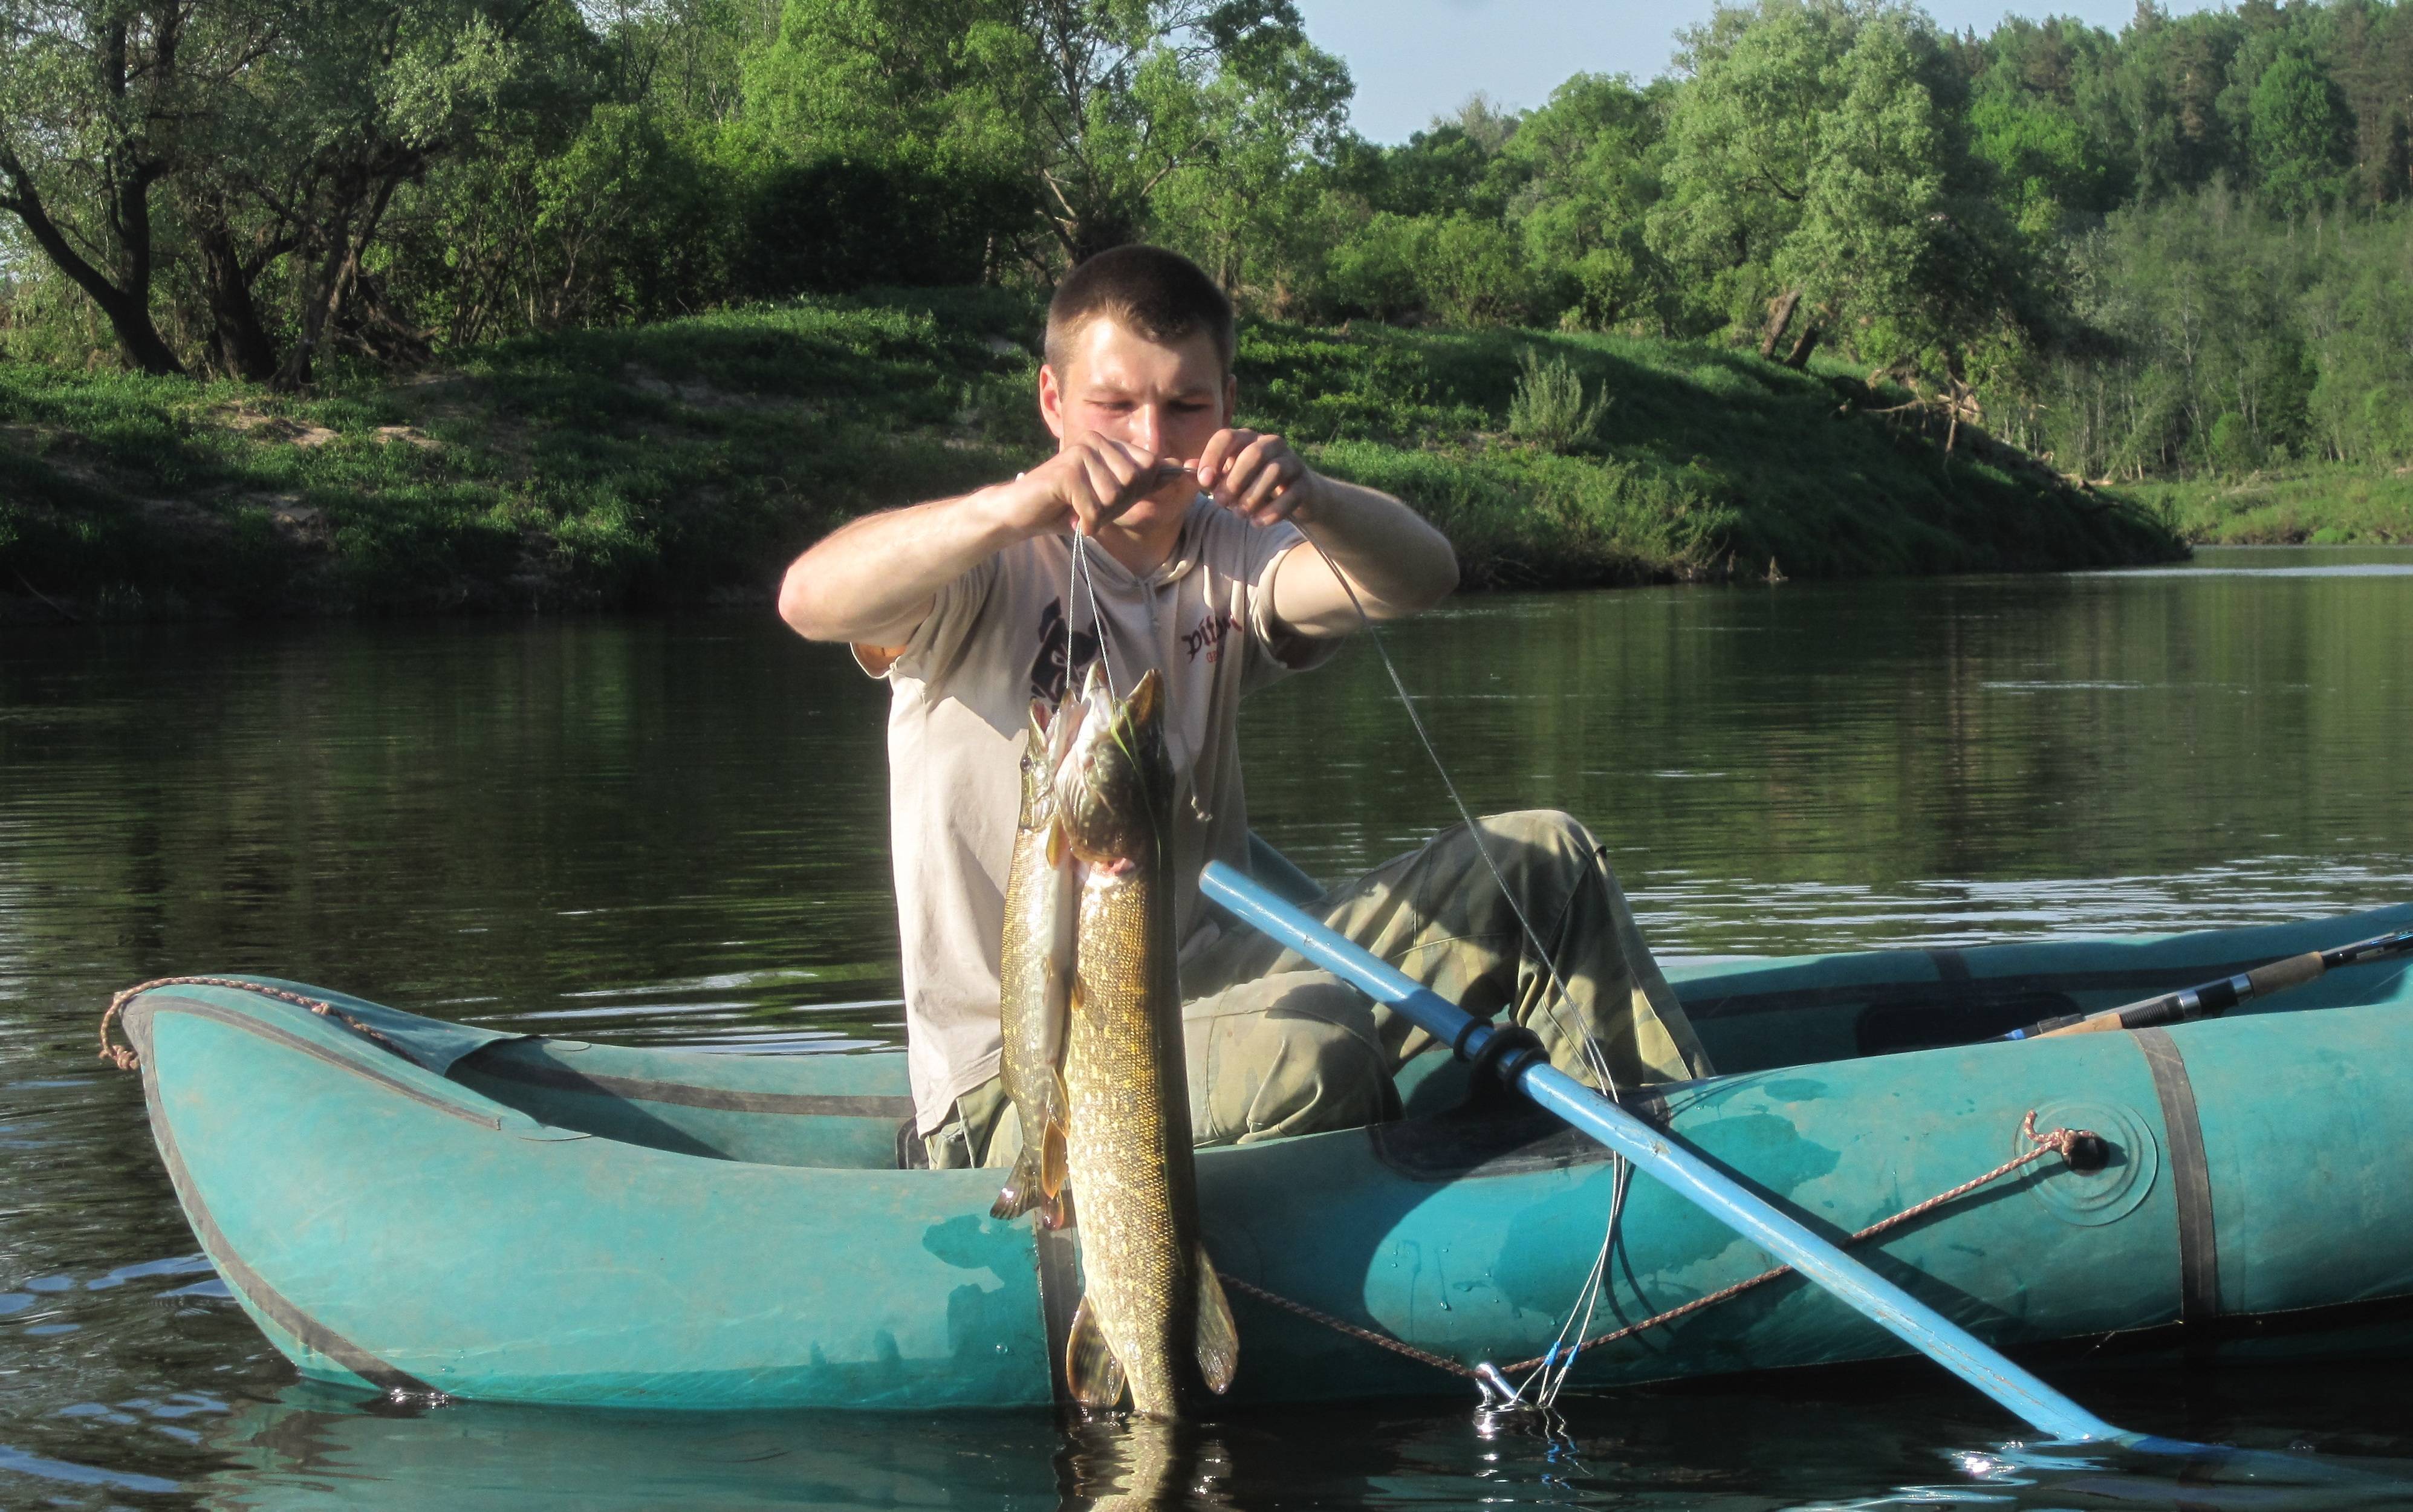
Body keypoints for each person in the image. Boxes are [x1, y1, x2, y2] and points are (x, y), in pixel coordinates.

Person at [779, 245, 1709, 1169]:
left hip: (1210, 986)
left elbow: (1422, 578)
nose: (1150, 443)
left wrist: (1315, 499)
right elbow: (809, 598)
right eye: (1113, 406)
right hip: (1026, 1073)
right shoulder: (977, 568)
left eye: (1186, 407)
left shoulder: (1231, 552)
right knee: (1314, 1047)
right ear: (1054, 404)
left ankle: (1675, 1147)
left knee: (1549, 861)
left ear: (1228, 406)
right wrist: (1014, 504)